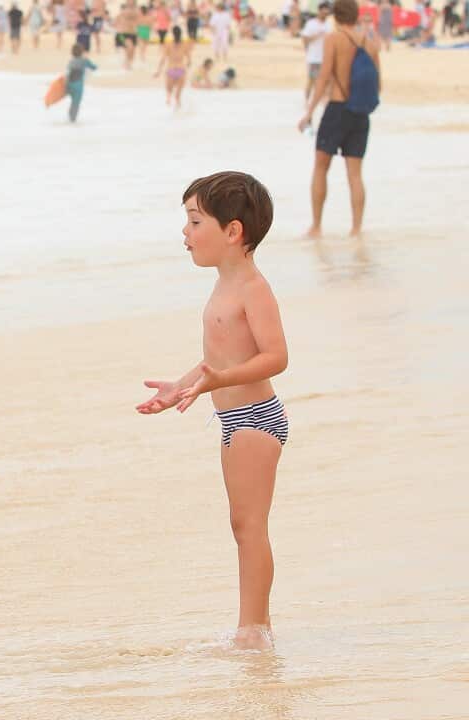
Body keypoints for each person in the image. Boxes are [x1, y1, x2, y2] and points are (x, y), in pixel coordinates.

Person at [138, 171, 287, 652]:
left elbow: (276, 357)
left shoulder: (252, 288)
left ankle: (253, 630)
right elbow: (216, 361)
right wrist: (181, 386)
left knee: (249, 525)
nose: (185, 232)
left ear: (233, 231)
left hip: (255, 420)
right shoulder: (225, 284)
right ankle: (256, 626)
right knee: (241, 524)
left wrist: (220, 381)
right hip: (235, 419)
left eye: (195, 221)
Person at [298, 0, 381, 237]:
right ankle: (356, 230)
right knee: (355, 174)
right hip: (361, 114)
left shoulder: (333, 39)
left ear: (335, 16)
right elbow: (379, 84)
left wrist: (309, 112)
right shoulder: (370, 43)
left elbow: (323, 78)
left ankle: (316, 226)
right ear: (356, 16)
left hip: (336, 109)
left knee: (321, 168)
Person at [154, 25, 190, 108]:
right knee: (178, 96)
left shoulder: (168, 44)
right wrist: (187, 66)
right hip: (181, 70)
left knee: (169, 92)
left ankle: (168, 100)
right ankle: (179, 111)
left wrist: (158, 71)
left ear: (172, 34)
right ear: (181, 33)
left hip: (171, 69)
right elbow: (189, 60)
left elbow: (163, 59)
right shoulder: (185, 44)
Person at [301, 2, 331, 99]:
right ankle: (307, 100)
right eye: (323, 13)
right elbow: (305, 39)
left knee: (326, 80)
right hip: (313, 57)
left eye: (327, 13)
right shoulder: (311, 23)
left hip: (325, 57)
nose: (325, 15)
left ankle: (323, 100)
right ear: (319, 11)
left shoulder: (328, 24)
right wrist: (317, 36)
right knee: (311, 80)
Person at [64, 42, 97, 122]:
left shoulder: (71, 61)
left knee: (73, 102)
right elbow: (94, 67)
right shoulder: (84, 60)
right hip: (78, 85)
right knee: (76, 103)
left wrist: (65, 86)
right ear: (82, 51)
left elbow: (67, 74)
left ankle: (70, 119)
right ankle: (73, 120)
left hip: (69, 84)